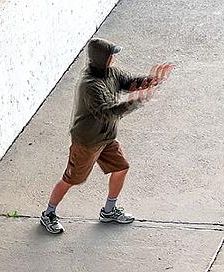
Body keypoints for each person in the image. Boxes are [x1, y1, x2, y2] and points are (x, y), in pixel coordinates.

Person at [40, 38, 174, 234]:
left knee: (121, 168)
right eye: (112, 55)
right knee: (71, 179)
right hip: (87, 142)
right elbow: (107, 113)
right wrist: (136, 101)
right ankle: (48, 214)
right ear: (104, 58)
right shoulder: (90, 85)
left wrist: (151, 81)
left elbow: (129, 83)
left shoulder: (110, 73)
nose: (114, 59)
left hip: (106, 138)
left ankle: (109, 211)